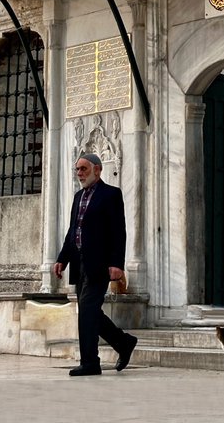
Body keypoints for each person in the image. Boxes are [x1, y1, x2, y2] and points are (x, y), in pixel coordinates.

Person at [53, 152, 138, 376]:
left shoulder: (111, 194)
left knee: (88, 312)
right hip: (80, 264)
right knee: (90, 313)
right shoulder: (77, 197)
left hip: (100, 264)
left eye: (84, 169)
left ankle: (90, 362)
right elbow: (73, 231)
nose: (80, 173)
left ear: (97, 170)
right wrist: (63, 258)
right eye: (77, 170)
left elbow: (119, 232)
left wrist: (117, 263)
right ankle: (123, 342)